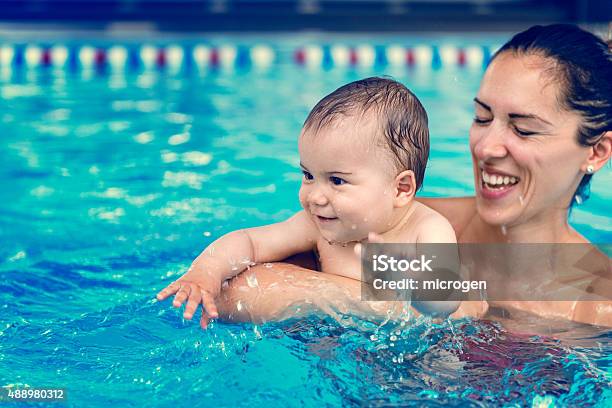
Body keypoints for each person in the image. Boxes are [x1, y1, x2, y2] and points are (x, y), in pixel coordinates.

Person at [201, 24, 612, 328]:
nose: (486, 147)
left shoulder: (598, 305)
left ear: (596, 151)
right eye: (481, 118)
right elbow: (232, 293)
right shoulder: (397, 221)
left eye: (523, 129)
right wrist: (385, 303)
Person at [156, 77, 459, 329]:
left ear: (401, 189)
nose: (314, 195)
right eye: (308, 175)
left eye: (337, 181)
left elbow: (445, 304)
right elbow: (250, 241)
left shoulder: (427, 229)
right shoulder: (316, 224)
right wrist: (206, 271)